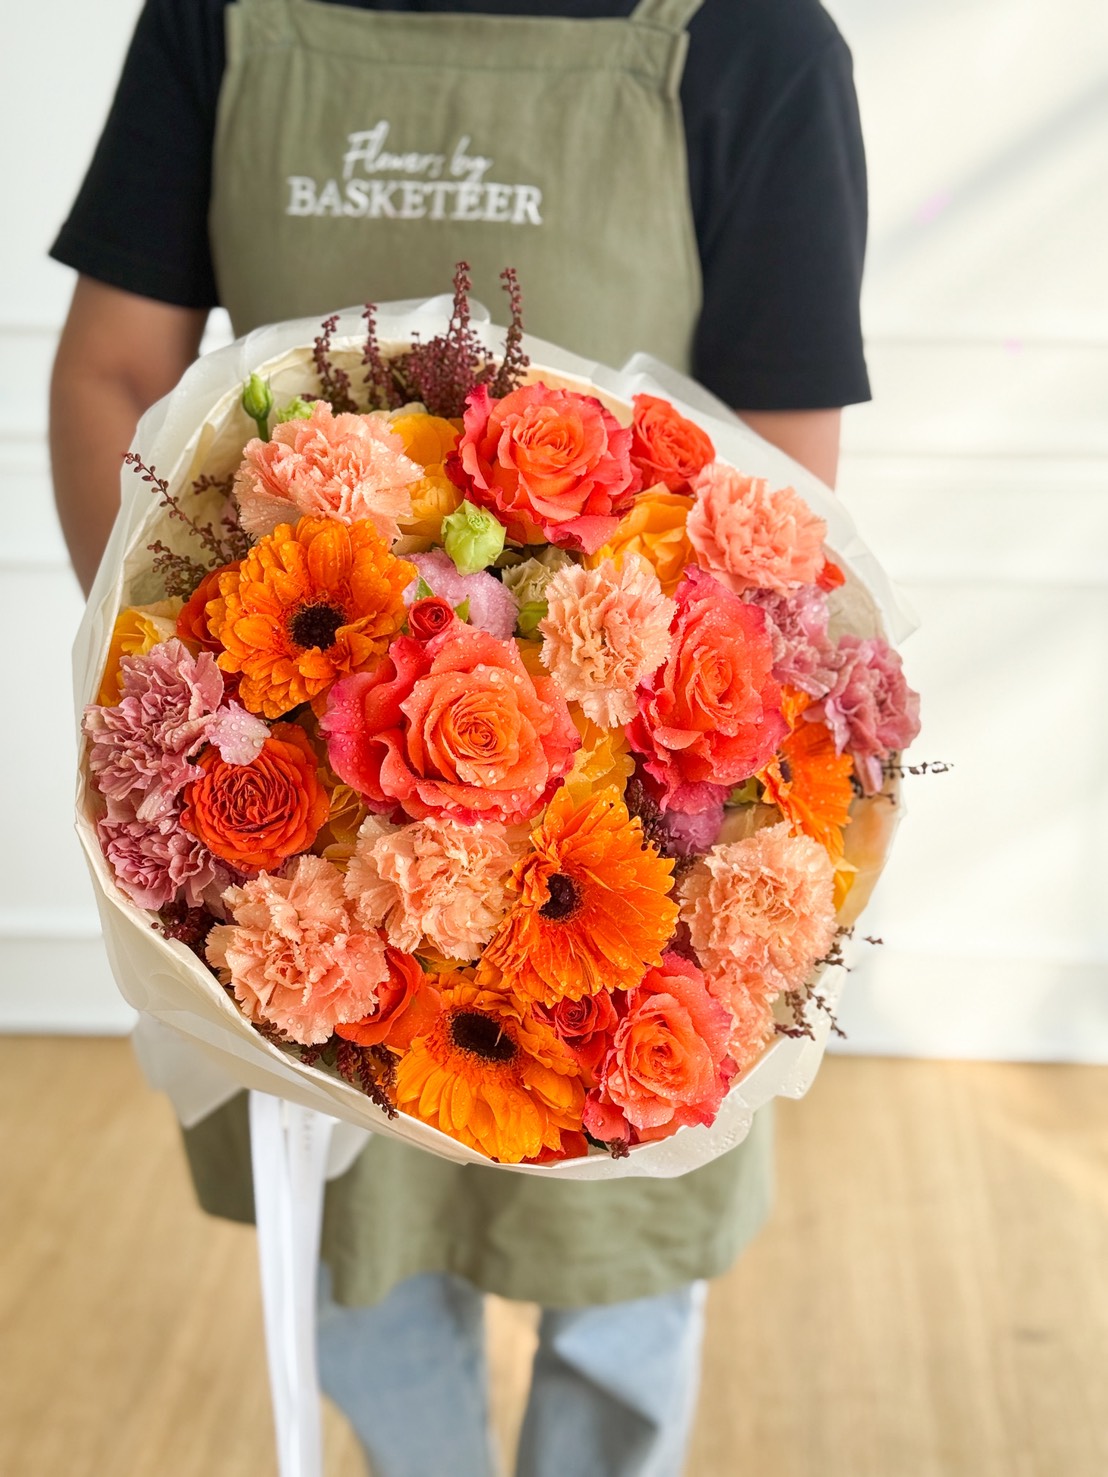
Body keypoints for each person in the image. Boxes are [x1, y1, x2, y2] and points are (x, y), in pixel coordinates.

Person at [49, 3, 870, 1473]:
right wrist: (178, 696)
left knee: (621, 1277)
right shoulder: (221, 23)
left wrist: (640, 734)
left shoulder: (752, 46)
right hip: (300, 818)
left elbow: (776, 489)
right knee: (359, 1262)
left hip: (623, 837)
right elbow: (113, 369)